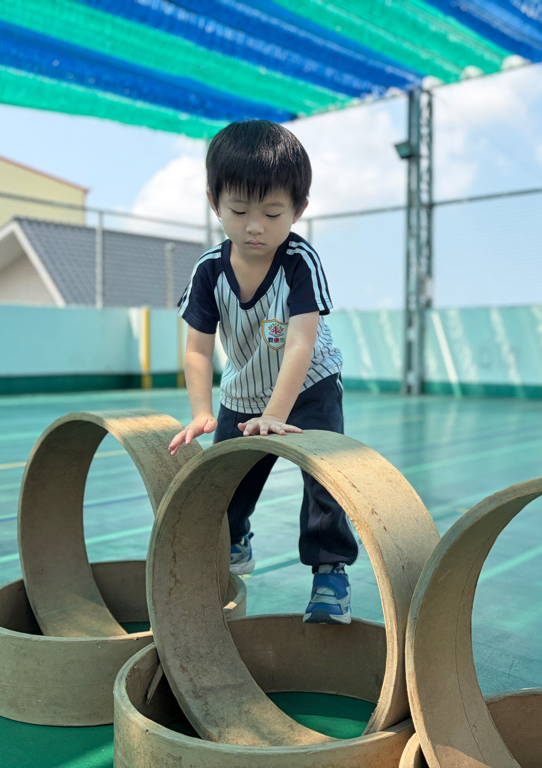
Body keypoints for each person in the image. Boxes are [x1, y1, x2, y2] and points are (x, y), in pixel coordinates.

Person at [168, 119, 357, 625]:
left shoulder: (299, 261)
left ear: (298, 209)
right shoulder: (209, 270)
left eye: (272, 213)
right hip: (244, 392)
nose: (255, 226)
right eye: (239, 211)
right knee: (225, 484)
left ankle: (330, 572)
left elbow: (301, 342)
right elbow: (197, 349)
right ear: (214, 203)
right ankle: (234, 539)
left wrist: (277, 414)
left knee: (324, 482)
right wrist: (202, 411)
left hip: (310, 385)